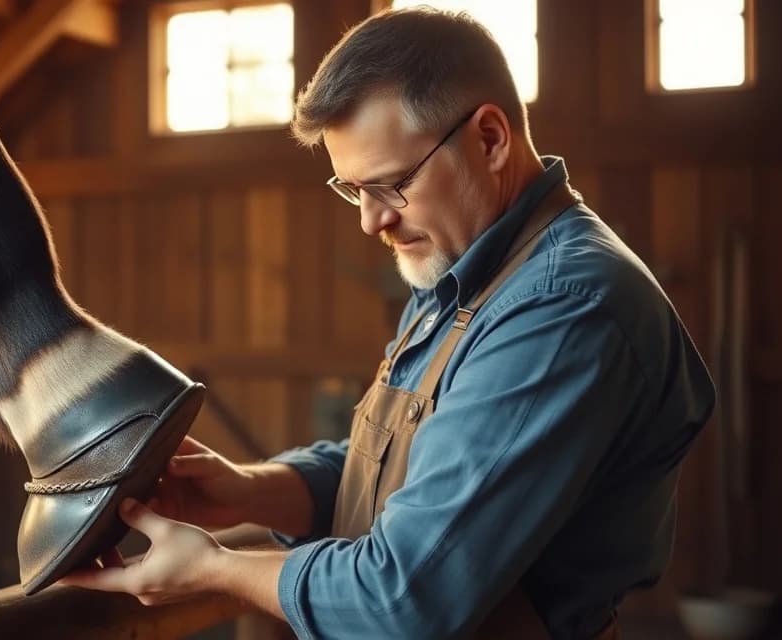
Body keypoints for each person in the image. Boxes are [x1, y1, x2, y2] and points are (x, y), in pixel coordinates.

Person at [61, 7, 715, 639]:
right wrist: (251, 492)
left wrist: (216, 568)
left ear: (489, 139)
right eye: (352, 190)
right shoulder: (463, 265)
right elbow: (427, 468)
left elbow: (406, 601)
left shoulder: (564, 304)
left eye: (390, 185)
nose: (371, 221)